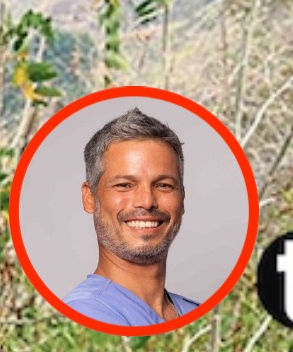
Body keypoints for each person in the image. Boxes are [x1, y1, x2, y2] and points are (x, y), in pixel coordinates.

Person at [63, 108, 199, 326]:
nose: (146, 201)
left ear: (182, 198)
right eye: (124, 185)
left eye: (164, 185)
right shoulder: (87, 313)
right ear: (90, 198)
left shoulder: (194, 311)